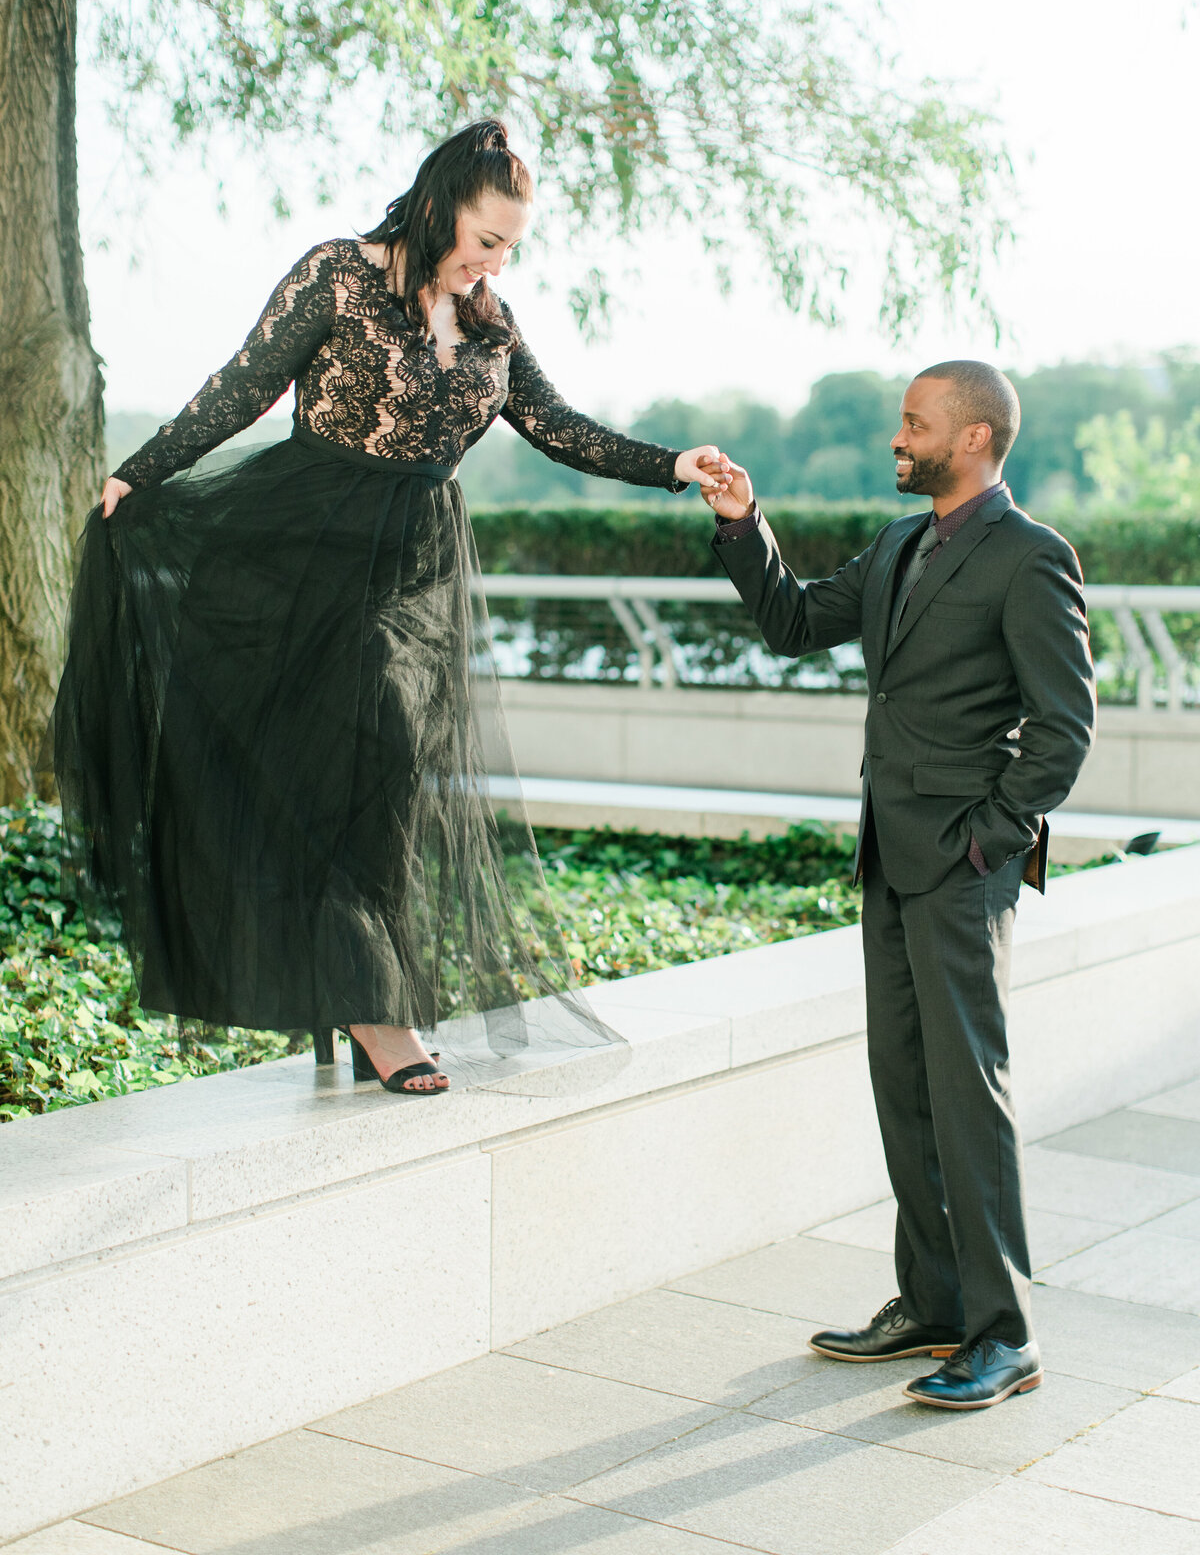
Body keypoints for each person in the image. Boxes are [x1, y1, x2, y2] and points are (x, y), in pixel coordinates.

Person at [52, 119, 731, 1097]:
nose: (494, 261)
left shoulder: (493, 323)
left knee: (390, 782)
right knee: (338, 769)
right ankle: (376, 1009)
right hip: (302, 554)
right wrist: (139, 473)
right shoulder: (340, 274)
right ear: (439, 202)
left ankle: (364, 988)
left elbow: (556, 426)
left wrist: (673, 466)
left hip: (416, 572)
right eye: (486, 238)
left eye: (510, 247)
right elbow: (243, 386)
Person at [703, 361, 1095, 1410]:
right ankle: (930, 1303)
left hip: (963, 867)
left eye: (914, 424)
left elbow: (1064, 729)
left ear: (972, 439)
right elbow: (790, 622)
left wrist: (990, 841)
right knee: (906, 1083)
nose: (898, 437)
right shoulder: (898, 545)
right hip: (890, 852)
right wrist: (744, 524)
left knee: (969, 1095)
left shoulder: (1031, 558)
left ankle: (1004, 1334)